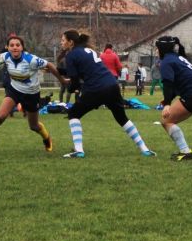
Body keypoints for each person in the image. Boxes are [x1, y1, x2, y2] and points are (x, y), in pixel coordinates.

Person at [60, 30, 156, 158]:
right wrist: (61, 71)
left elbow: (75, 82)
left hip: (96, 88)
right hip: (112, 85)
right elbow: (86, 69)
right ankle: (144, 149)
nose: (61, 43)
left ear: (70, 42)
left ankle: (79, 150)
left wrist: (70, 86)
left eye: (63, 40)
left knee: (73, 113)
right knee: (122, 118)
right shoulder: (90, 51)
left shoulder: (71, 55)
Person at [0, 35, 67, 155]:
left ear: (22, 47)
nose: (15, 47)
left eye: (17, 45)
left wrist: (62, 81)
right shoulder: (4, 57)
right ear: (7, 47)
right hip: (14, 91)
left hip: (32, 94)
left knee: (34, 126)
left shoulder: (31, 59)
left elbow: (50, 66)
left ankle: (47, 138)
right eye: (12, 45)